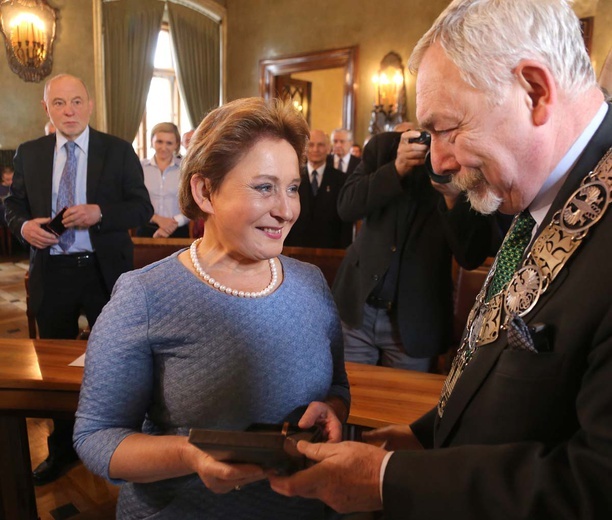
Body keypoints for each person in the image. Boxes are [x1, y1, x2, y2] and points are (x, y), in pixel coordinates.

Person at [268, 1, 612, 518]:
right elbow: (508, 379)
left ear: (534, 92)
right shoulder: (541, 195)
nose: (440, 161)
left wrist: (389, 481)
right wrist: (417, 440)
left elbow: (595, 485)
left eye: (448, 129)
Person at [74, 97, 350, 519]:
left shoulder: (311, 283)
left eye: (292, 187)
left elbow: (338, 389)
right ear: (205, 191)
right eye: (264, 187)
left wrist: (332, 410)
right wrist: (189, 455)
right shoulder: (144, 295)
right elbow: (96, 437)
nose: (287, 209)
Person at [5, 73, 153, 486]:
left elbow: (141, 208)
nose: (68, 111)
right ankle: (63, 448)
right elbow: (12, 206)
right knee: (52, 368)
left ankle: (123, 444)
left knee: (120, 359)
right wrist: (23, 228)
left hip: (105, 273)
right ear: (46, 109)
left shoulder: (118, 151)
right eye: (59, 104)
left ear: (89, 105)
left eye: (76, 102)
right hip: (52, 273)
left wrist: (99, 213)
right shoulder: (29, 153)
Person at [333, 125, 493, 371]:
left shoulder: (466, 159)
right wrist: (396, 168)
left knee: (402, 404)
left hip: (416, 320)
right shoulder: (384, 147)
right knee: (350, 397)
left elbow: (470, 255)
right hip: (358, 309)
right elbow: (346, 207)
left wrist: (452, 197)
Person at [284, 129, 353, 249]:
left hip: (330, 251)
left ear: (328, 149)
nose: (315, 149)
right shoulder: (291, 177)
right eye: (311, 145)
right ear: (305, 149)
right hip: (295, 249)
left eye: (320, 145)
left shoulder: (341, 179)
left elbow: (345, 220)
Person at [137, 122, 190, 238]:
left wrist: (172, 223)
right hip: (145, 230)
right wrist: (156, 218)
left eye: (169, 143)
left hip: (178, 231)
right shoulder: (139, 168)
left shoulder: (186, 169)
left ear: (176, 145)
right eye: (159, 141)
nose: (163, 147)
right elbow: (134, 201)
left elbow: (192, 203)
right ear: (152, 141)